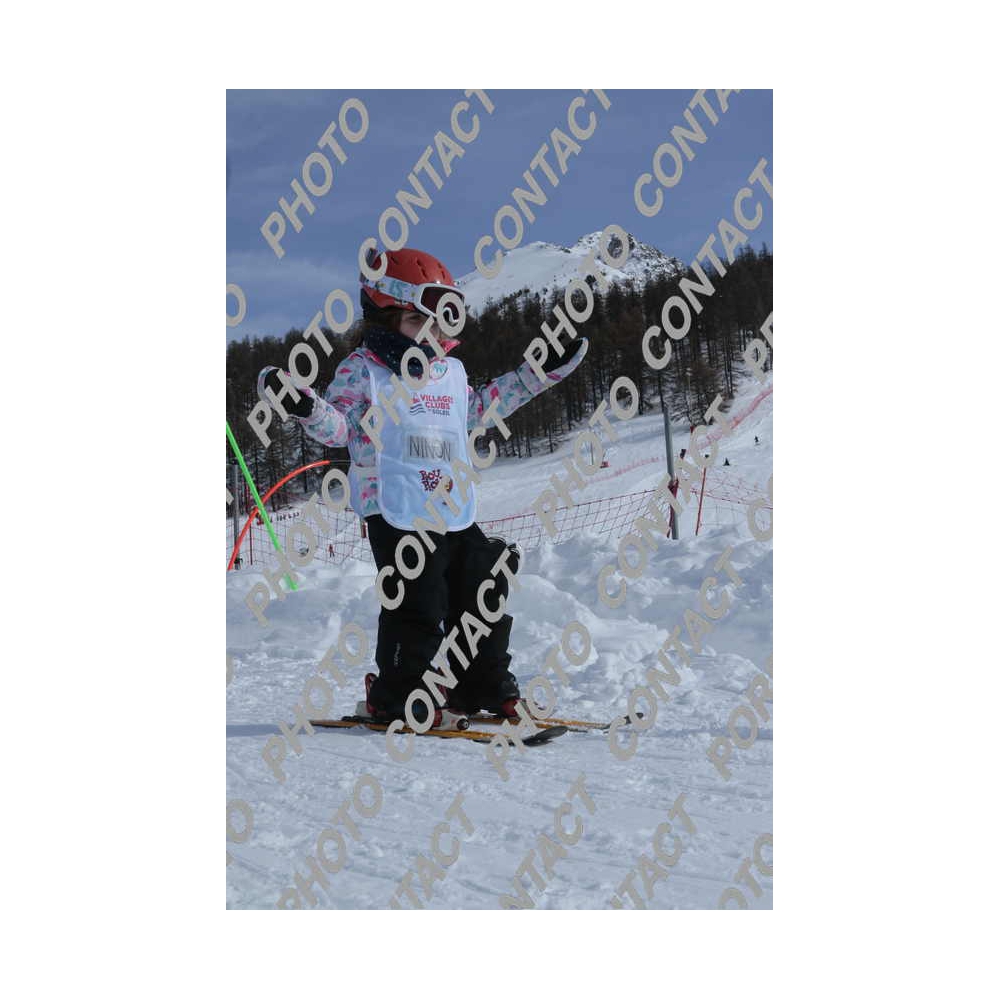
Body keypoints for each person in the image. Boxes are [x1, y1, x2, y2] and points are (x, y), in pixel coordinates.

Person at [258, 248, 587, 726]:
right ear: (385, 318)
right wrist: (305, 405)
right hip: (393, 507)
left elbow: (479, 411)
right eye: (416, 320)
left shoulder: (449, 373)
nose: (429, 334)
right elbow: (340, 427)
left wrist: (535, 375)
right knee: (418, 597)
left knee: (483, 585)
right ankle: (398, 692)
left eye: (436, 323)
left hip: (451, 507)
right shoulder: (363, 369)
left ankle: (480, 684)